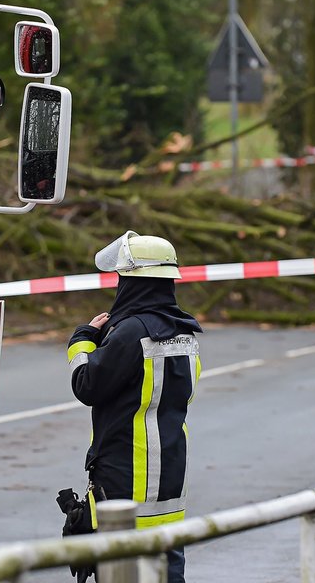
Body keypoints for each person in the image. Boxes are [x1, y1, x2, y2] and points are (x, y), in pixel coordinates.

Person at [66, 231, 202, 583]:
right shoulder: (185, 333)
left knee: (122, 569)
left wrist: (82, 341)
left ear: (132, 283)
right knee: (166, 564)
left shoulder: (130, 333)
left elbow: (87, 386)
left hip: (126, 475)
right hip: (170, 475)